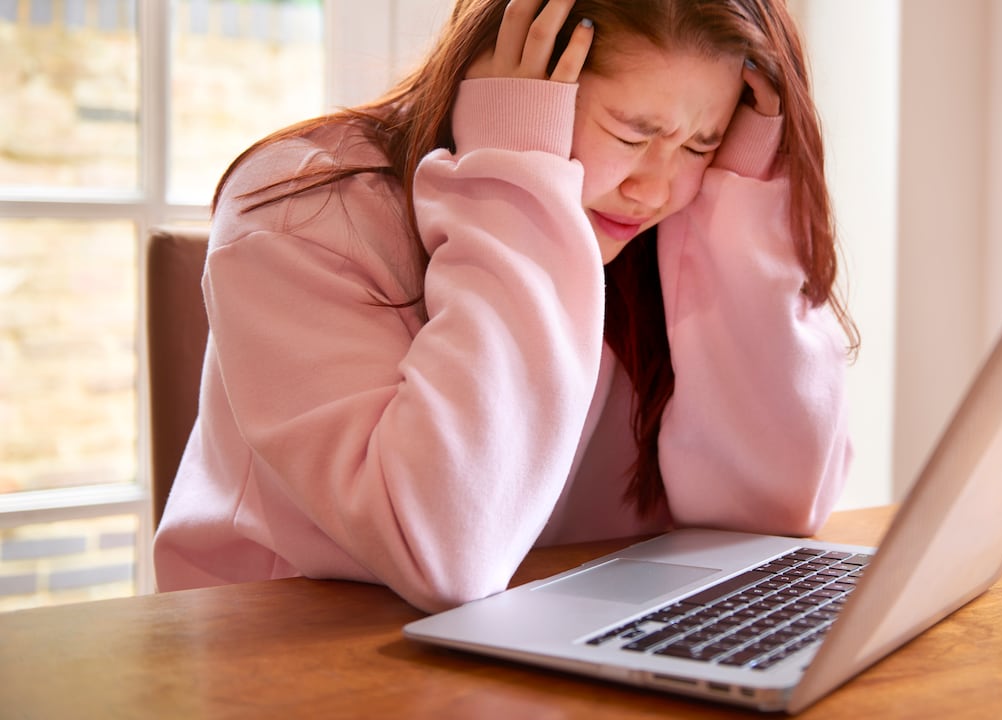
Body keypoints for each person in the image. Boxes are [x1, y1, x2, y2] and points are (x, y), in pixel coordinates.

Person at [154, 0, 858, 614]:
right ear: (518, 74)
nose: (655, 188)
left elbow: (769, 511)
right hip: (299, 666)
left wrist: (736, 210)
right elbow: (443, 549)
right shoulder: (302, 209)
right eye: (631, 133)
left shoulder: (673, 224)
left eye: (701, 144)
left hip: (550, 652)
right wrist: (517, 173)